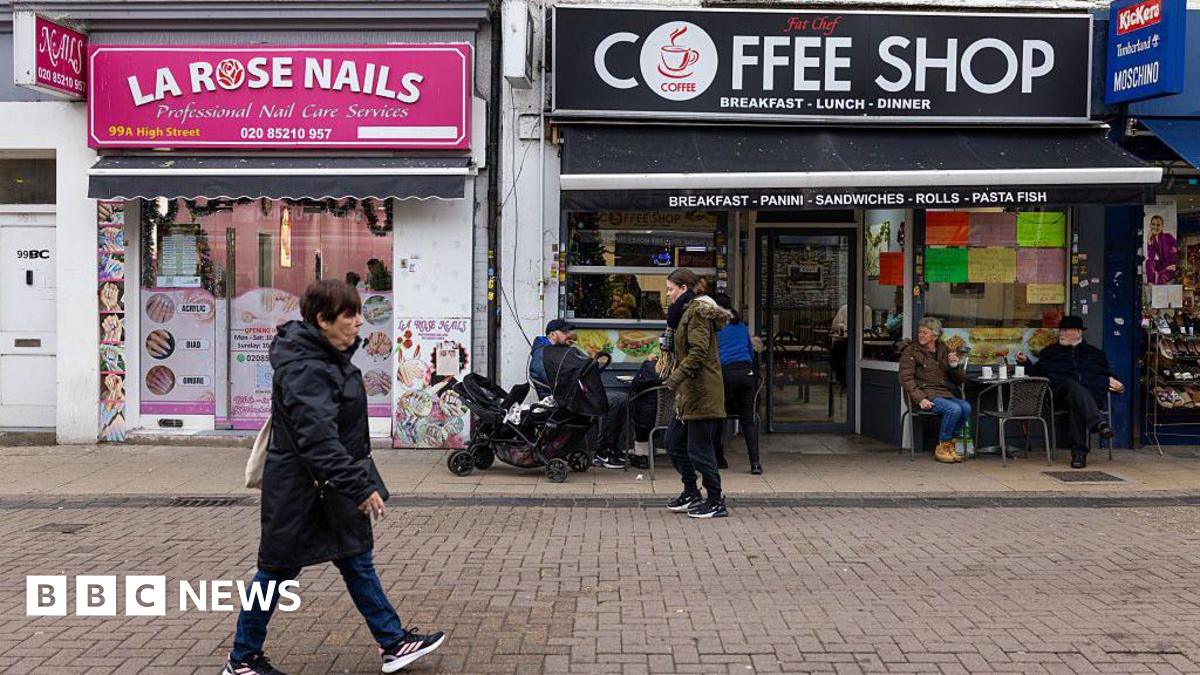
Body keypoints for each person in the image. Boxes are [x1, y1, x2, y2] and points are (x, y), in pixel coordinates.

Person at [225, 280, 444, 675]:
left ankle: (393, 642)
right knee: (275, 571)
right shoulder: (307, 368)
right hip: (301, 491)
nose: (360, 322)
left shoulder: (325, 358)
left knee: (356, 559)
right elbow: (319, 440)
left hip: (326, 489)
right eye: (350, 314)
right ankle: (242, 658)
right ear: (323, 320)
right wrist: (359, 486)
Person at [660, 269, 730, 519]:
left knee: (699, 449)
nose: (667, 294)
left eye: (670, 289)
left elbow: (698, 352)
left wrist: (674, 378)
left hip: (702, 391)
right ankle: (691, 491)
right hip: (688, 392)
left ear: (683, 288)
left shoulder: (697, 312)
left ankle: (715, 499)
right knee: (673, 443)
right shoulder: (682, 313)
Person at [1017, 315, 1121, 469]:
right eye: (1061, 330)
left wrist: (1120, 387)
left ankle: (1079, 454)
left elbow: (1108, 376)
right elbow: (1037, 374)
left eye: (1066, 330)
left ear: (1078, 333)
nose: (1061, 334)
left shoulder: (1094, 354)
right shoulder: (1051, 352)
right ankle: (1097, 423)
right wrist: (1025, 362)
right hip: (1060, 396)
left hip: (1090, 398)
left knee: (1077, 405)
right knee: (1072, 386)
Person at [528, 318, 628, 469]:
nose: (570, 335)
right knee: (612, 401)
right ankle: (603, 452)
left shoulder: (560, 349)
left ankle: (611, 447)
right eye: (565, 332)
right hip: (564, 399)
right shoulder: (543, 354)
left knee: (621, 398)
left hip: (576, 393)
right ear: (553, 335)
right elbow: (552, 378)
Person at [898, 317, 969, 464]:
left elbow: (958, 380)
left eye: (925, 332)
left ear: (935, 336)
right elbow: (906, 379)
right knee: (953, 409)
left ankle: (951, 446)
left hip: (942, 392)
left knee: (966, 407)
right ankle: (943, 446)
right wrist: (920, 398)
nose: (921, 335)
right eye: (920, 332)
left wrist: (954, 366)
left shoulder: (943, 349)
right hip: (924, 395)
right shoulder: (911, 351)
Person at [711, 293, 762, 475]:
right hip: (746, 374)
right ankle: (755, 463)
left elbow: (711, 354)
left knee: (718, 417)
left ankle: (719, 458)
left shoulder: (715, 327)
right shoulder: (740, 326)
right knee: (748, 421)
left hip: (724, 375)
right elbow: (750, 351)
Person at [628, 355, 664, 470]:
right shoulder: (682, 366)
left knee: (639, 409)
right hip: (676, 416)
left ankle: (642, 456)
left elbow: (635, 385)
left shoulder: (650, 366)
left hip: (647, 418)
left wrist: (648, 362)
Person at [1146, 214, 1177, 285]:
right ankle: (1151, 284)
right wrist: (1149, 241)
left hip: (1172, 267)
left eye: (1158, 225)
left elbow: (1180, 249)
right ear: (1150, 225)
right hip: (1162, 265)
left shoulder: (1168, 236)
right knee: (1149, 262)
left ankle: (1159, 294)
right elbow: (1151, 257)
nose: (1155, 227)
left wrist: (1176, 265)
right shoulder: (1153, 240)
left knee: (1161, 275)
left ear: (1162, 226)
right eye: (1153, 224)